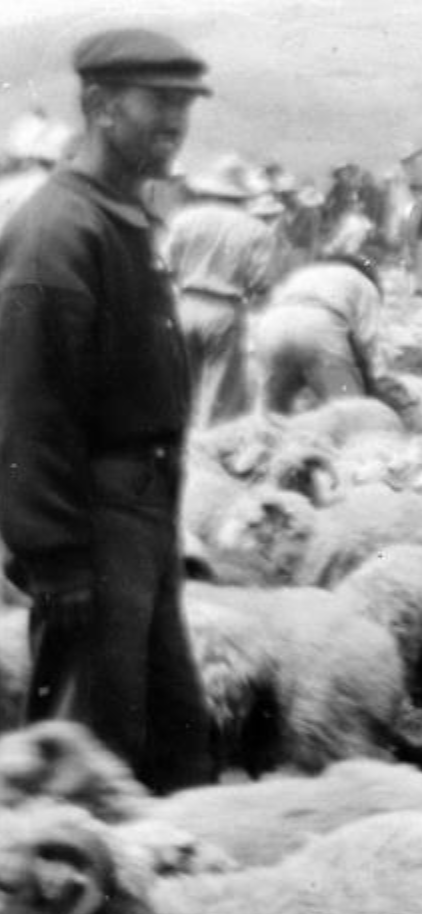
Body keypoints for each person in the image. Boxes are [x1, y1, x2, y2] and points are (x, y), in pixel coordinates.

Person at [0, 27, 216, 791]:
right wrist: (55, 556)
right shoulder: (59, 232)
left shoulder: (118, 218)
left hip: (144, 508)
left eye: (183, 106)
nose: (174, 123)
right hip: (94, 519)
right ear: (98, 104)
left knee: (170, 738)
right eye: (157, 102)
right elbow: (31, 411)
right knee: (87, 755)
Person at [163, 155, 278, 426]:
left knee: (179, 383)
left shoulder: (184, 220)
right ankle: (206, 447)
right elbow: (262, 282)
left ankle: (174, 442)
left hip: (185, 302)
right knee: (219, 391)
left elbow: (165, 265)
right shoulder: (256, 230)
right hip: (224, 309)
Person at [253, 254, 383, 413]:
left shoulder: (305, 274)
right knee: (349, 410)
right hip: (319, 329)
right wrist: (372, 388)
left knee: (273, 411)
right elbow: (367, 343)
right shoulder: (364, 283)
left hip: (271, 327)